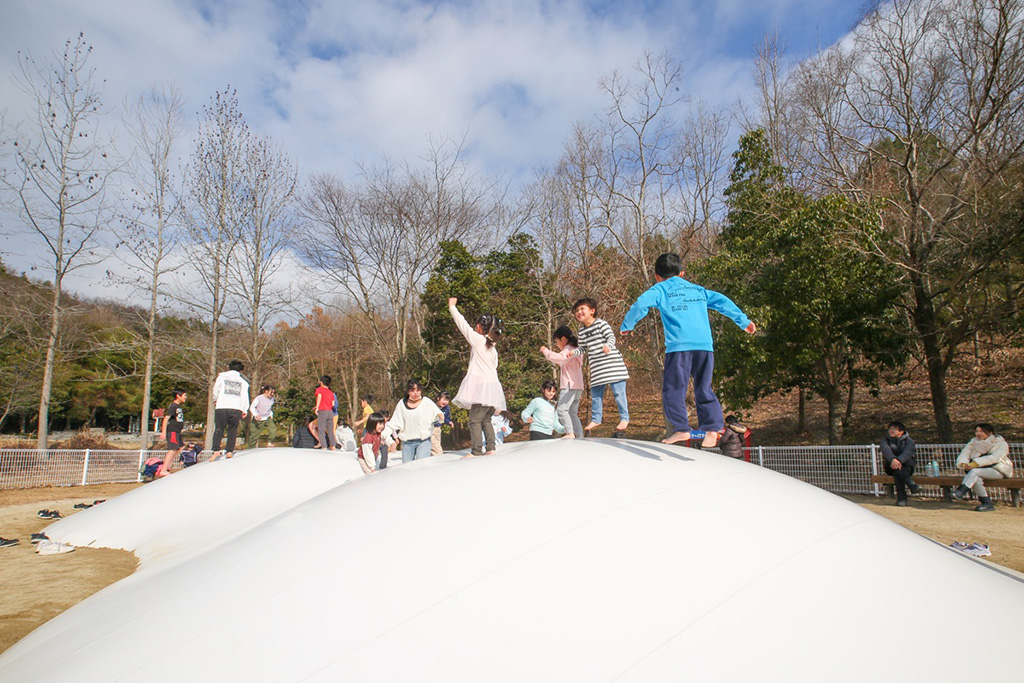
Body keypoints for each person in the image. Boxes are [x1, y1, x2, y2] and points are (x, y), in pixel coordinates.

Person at [620, 253, 755, 448]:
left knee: (673, 388)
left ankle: (682, 429)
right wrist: (743, 321)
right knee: (704, 386)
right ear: (682, 273)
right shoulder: (698, 290)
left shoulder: (659, 289)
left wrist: (628, 325)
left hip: (679, 348)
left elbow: (640, 304)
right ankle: (712, 429)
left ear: (657, 276)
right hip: (704, 347)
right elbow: (723, 302)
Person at [449, 297, 506, 457]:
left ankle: (476, 451)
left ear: (482, 328)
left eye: (478, 325)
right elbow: (494, 367)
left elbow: (462, 325)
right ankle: (491, 448)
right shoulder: (493, 349)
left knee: (474, 420)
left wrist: (452, 307)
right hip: (493, 388)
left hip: (481, 387)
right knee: (486, 420)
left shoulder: (478, 340)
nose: (475, 327)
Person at [572, 297, 630, 437]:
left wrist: (608, 346)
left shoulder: (601, 324)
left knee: (618, 393)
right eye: (577, 310)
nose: (579, 312)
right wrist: (574, 352)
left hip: (612, 365)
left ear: (592, 311)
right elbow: (583, 348)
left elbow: (611, 338)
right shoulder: (581, 332)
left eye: (582, 309)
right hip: (597, 368)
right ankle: (596, 419)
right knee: (596, 395)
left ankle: (624, 418)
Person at [952, 423, 1014, 512]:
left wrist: (975, 464)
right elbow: (965, 454)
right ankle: (987, 503)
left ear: (990, 433)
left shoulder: (1000, 443)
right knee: (975, 477)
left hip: (998, 469)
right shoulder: (973, 442)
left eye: (981, 431)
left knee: (974, 472)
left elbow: (996, 458)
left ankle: (961, 491)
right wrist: (963, 464)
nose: (978, 433)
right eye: (976, 431)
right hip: (979, 470)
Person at [540, 326, 585, 439]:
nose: (556, 344)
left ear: (563, 339)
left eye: (556, 341)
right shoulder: (577, 349)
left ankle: (570, 433)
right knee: (572, 412)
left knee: (562, 409)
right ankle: (579, 435)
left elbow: (559, 358)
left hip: (570, 384)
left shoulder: (569, 349)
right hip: (578, 385)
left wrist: (546, 351)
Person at [388, 380, 444, 462]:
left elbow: (439, 415)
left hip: (423, 441)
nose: (415, 393)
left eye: (418, 390)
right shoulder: (402, 404)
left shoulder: (426, 402)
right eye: (412, 390)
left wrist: (439, 418)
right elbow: (394, 423)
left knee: (421, 466)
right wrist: (386, 437)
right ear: (408, 391)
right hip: (407, 442)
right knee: (407, 467)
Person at [210, 360, 249, 460]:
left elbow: (215, 389)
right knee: (232, 429)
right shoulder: (243, 382)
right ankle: (229, 451)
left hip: (222, 405)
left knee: (219, 428)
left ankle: (216, 450)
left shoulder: (222, 377)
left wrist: (215, 399)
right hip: (236, 407)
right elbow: (245, 396)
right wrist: (245, 409)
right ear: (240, 370)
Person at [879, 421, 919, 507]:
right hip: (890, 465)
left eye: (895, 429)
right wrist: (893, 460)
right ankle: (911, 484)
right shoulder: (885, 440)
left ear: (901, 431)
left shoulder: (909, 441)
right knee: (897, 469)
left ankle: (902, 498)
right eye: (890, 429)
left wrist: (898, 461)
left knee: (898, 471)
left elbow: (908, 453)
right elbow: (886, 450)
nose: (891, 431)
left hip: (906, 466)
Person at [159, 389, 187, 477]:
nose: (186, 397)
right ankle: (163, 470)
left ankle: (168, 465)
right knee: (172, 449)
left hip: (177, 431)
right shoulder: (173, 406)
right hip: (172, 431)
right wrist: (163, 432)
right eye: (184, 395)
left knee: (181, 447)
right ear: (178, 396)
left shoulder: (179, 407)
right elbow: (166, 418)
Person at [314, 375, 338, 451]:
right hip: (330, 412)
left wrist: (317, 407)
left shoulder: (319, 389)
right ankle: (333, 445)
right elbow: (333, 404)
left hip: (323, 411)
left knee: (321, 429)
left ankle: (324, 446)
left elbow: (319, 397)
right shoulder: (331, 392)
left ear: (321, 382)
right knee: (330, 430)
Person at [431, 391, 454, 456]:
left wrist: (449, 422)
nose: (445, 402)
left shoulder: (446, 408)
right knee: (436, 447)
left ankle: (433, 458)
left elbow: (446, 418)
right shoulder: (432, 406)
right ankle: (438, 456)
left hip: (438, 429)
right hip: (430, 428)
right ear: (438, 398)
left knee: (437, 443)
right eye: (444, 399)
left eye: (447, 400)